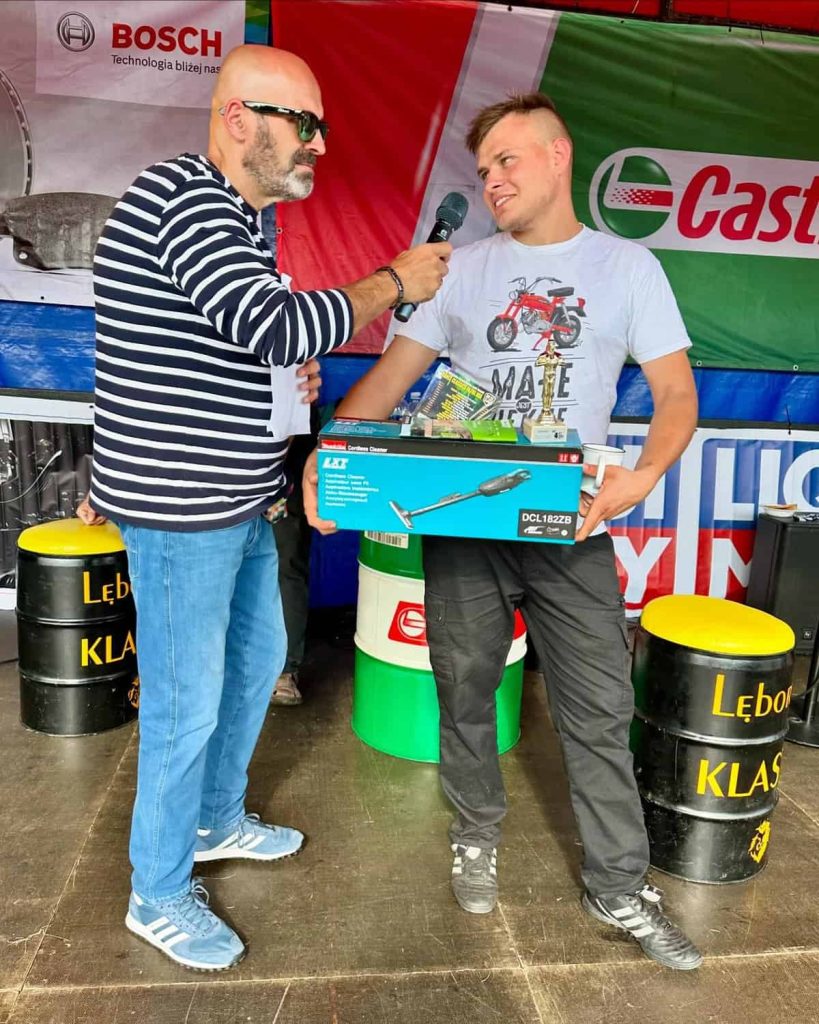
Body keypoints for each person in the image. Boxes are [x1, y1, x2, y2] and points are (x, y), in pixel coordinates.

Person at [304, 93, 702, 971]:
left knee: (598, 708)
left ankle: (618, 885)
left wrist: (641, 476)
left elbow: (676, 394)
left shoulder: (627, 268)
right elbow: (386, 382)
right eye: (484, 170)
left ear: (559, 155)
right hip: (465, 523)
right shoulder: (457, 272)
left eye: (508, 161)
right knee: (464, 691)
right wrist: (326, 455)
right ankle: (475, 834)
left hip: (570, 526)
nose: (492, 182)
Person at [79, 44, 450, 972]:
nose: (319, 144)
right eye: (306, 123)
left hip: (239, 497)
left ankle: (213, 818)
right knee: (184, 706)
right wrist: (395, 282)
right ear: (238, 117)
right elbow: (272, 324)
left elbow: (242, 341)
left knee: (257, 660)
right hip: (183, 510)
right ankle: (158, 892)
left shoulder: (242, 222)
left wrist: (282, 379)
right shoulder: (187, 198)